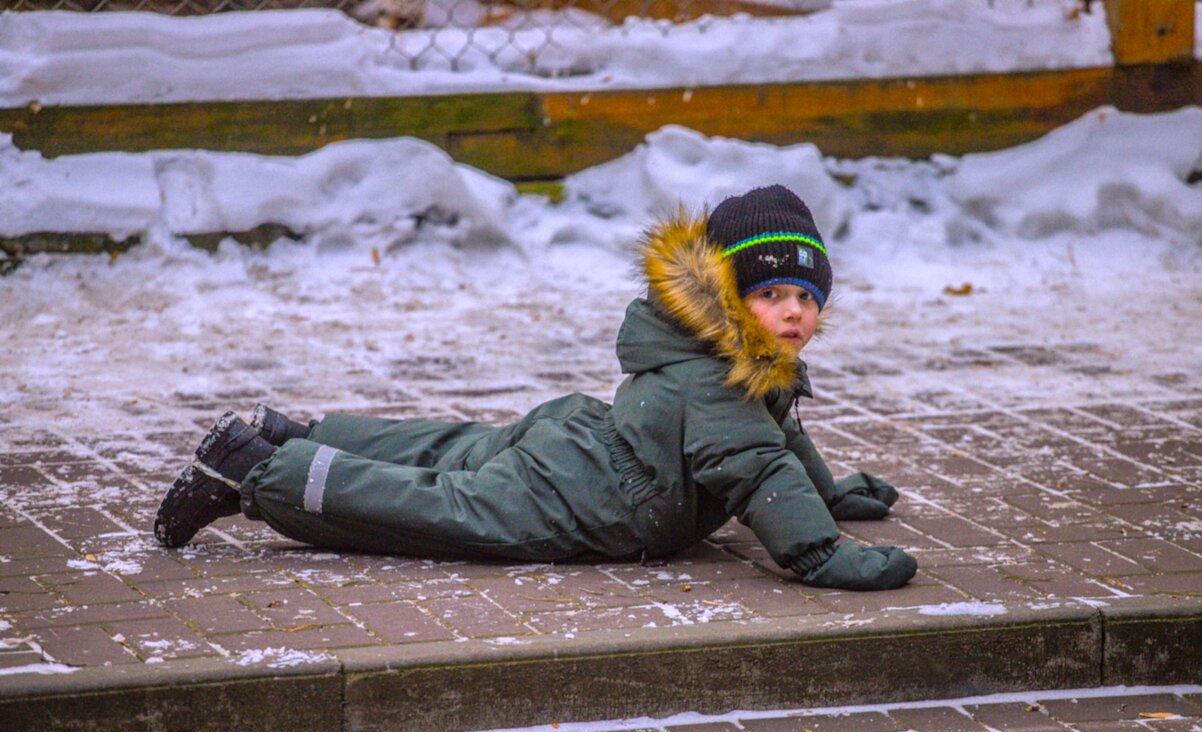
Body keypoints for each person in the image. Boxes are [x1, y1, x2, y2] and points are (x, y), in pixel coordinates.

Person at [154, 185, 917, 591]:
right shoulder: (719, 378)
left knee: (453, 448)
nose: (795, 312)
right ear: (727, 295)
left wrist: (832, 491)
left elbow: (783, 435)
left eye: (807, 297)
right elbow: (756, 465)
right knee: (444, 508)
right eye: (773, 294)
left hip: (585, 436)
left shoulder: (731, 354)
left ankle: (298, 432)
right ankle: (257, 469)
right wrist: (820, 553)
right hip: (589, 498)